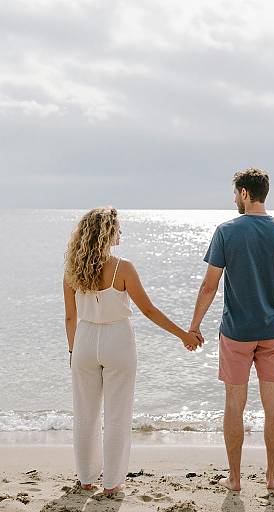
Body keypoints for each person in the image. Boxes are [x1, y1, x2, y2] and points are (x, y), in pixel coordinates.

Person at [63, 207, 202, 495]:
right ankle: (111, 484)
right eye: (118, 229)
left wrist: (72, 352)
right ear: (106, 233)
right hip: (118, 339)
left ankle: (86, 478)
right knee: (117, 414)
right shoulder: (122, 268)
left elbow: (69, 317)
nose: (121, 233)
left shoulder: (72, 270)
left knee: (85, 414)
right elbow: (148, 310)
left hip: (84, 341)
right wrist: (183, 335)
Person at [189, 168, 274, 491]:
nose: (234, 199)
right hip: (273, 331)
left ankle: (235, 479)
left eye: (235, 193)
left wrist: (194, 327)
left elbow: (209, 286)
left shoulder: (226, 232)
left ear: (244, 193)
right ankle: (272, 477)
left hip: (236, 333)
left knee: (234, 404)